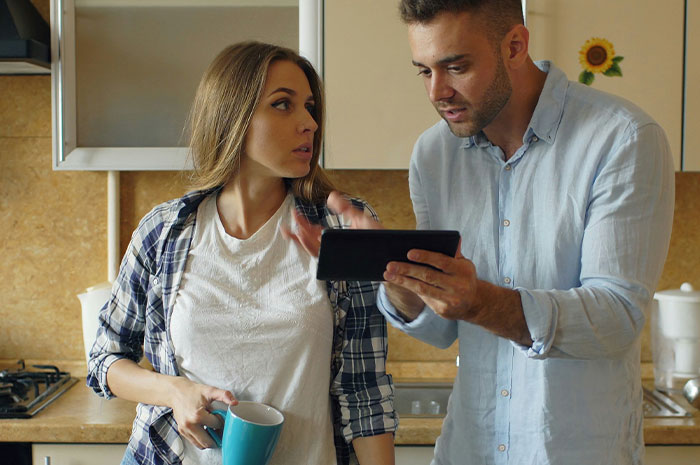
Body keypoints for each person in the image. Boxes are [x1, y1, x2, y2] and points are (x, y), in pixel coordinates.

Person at [294, 1, 676, 464]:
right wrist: (399, 278)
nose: (438, 92)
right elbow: (442, 329)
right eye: (424, 71)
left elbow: (617, 317)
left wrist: (478, 300)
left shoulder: (622, 138)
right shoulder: (435, 155)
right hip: (469, 449)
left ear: (515, 45)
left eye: (456, 67)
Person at [86, 41, 397, 465]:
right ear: (232, 116)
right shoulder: (163, 233)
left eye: (309, 107)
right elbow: (105, 358)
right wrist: (174, 391)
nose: (309, 122)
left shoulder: (340, 229)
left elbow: (365, 390)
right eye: (283, 105)